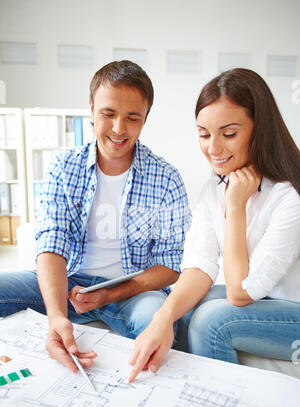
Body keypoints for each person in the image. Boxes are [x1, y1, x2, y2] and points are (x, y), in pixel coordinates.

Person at [0, 60, 191, 373]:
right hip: (69, 283)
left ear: (145, 119)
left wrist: (111, 294)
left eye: (132, 118)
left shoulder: (167, 179)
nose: (118, 128)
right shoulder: (63, 167)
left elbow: (170, 266)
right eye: (108, 114)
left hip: (134, 291)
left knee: (159, 322)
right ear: (91, 108)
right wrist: (57, 317)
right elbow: (52, 242)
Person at [128, 68, 300, 382]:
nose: (214, 148)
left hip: (292, 309)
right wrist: (163, 318)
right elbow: (200, 263)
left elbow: (240, 292)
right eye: (204, 134)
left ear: (259, 128)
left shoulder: (290, 196)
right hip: (268, 302)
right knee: (181, 306)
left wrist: (236, 208)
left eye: (229, 134)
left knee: (212, 321)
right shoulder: (216, 186)